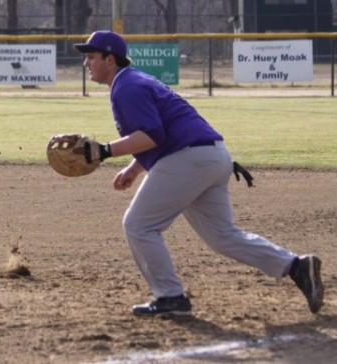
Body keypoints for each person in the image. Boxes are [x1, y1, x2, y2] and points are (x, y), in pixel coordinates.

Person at [73, 30, 324, 315]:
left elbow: (152, 134)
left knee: (138, 225)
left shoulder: (126, 87)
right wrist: (135, 167)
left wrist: (105, 151)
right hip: (211, 156)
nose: (86, 63)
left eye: (92, 57)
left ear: (110, 58)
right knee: (222, 236)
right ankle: (297, 266)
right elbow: (161, 133)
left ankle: (171, 297)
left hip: (188, 159)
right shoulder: (133, 81)